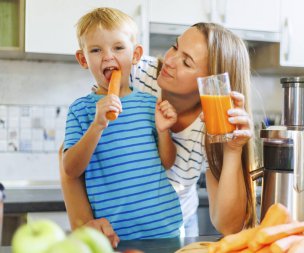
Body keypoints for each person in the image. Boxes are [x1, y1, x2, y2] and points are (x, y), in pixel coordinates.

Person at [60, 21, 257, 245]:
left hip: (172, 231)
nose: (169, 61)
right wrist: (84, 224)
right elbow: (69, 155)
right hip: (113, 233)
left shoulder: (214, 120)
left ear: (210, 82)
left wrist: (232, 150)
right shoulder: (135, 70)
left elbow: (228, 225)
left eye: (186, 62)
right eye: (175, 47)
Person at [61, 7, 183, 241]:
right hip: (113, 236)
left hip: (164, 230)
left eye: (118, 48)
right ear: (82, 59)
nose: (108, 56)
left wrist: (163, 131)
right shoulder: (81, 110)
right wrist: (97, 125)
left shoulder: (151, 105)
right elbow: (70, 169)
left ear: (135, 54)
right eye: (96, 50)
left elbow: (167, 163)